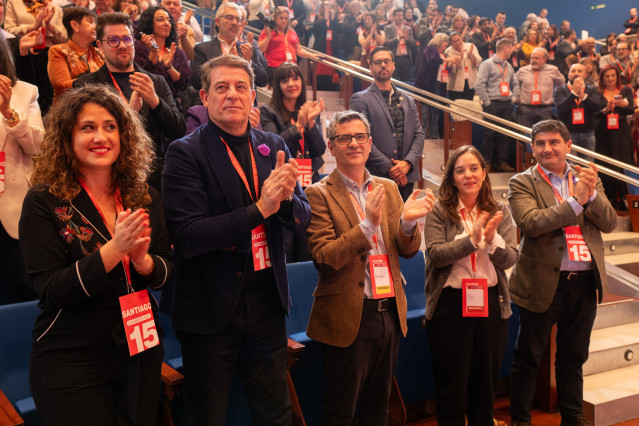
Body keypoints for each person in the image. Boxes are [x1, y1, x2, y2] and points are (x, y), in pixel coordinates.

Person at [162, 54, 311, 426]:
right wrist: (261, 208)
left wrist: (287, 199)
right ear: (204, 96)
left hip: (266, 303)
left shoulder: (273, 144)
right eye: (222, 87)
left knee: (275, 413)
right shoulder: (185, 153)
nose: (232, 95)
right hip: (210, 308)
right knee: (208, 416)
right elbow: (190, 236)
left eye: (241, 87)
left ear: (253, 97)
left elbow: (302, 219)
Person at [20, 84, 173, 425]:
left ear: (124, 135)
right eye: (87, 127)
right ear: (67, 137)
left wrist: (141, 260)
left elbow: (166, 271)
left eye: (110, 127)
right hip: (71, 356)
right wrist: (114, 250)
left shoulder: (143, 195)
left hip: (139, 347)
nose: (100, 136)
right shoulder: (44, 200)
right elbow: (51, 289)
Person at [305, 109, 434, 426]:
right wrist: (367, 227)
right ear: (332, 146)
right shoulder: (317, 193)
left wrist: (407, 223)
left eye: (360, 136)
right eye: (344, 138)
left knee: (379, 406)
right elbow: (324, 257)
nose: (353, 143)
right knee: (341, 410)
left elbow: (407, 250)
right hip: (350, 313)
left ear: (370, 142)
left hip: (389, 309)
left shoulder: (388, 188)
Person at [508, 119, 617, 426]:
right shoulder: (522, 182)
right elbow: (531, 223)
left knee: (573, 358)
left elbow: (608, 223)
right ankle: (520, 420)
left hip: (583, 283)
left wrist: (591, 196)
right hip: (542, 282)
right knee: (528, 358)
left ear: (569, 146)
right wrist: (576, 202)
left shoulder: (588, 179)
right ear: (532, 149)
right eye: (540, 143)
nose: (547, 149)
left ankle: (573, 417)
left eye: (554, 142)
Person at [424, 145, 517, 425]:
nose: (468, 175)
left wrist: (490, 240)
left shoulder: (500, 210)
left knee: (485, 386)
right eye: (460, 170)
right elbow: (436, 254)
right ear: (452, 178)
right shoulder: (441, 210)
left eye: (474, 168)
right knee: (452, 387)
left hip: (491, 304)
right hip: (451, 306)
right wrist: (472, 240)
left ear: (484, 173)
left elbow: (511, 256)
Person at [74, 12, 185, 191]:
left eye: (126, 38)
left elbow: (179, 130)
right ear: (99, 46)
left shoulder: (156, 81)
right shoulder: (85, 84)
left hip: (151, 178)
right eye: (113, 40)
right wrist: (128, 114)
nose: (123, 45)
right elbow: (79, 136)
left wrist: (155, 102)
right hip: (104, 177)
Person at [260, 62, 325, 261]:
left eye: (295, 78)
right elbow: (275, 146)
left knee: (307, 248)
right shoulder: (268, 112)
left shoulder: (308, 111)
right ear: (277, 85)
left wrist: (311, 123)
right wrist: (300, 125)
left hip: (309, 186)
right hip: (284, 188)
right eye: (285, 79)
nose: (291, 83)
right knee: (286, 247)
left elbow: (319, 149)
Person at [0, 31, 42, 303]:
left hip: (13, 205)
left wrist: (8, 113)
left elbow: (38, 146)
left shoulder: (25, 91)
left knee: (24, 289)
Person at [351, 46, 425, 201]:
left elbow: (418, 134)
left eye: (386, 61)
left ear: (393, 65)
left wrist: (407, 164)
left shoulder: (409, 100)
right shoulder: (360, 99)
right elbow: (361, 138)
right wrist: (390, 168)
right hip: (377, 176)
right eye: (378, 62)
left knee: (406, 223)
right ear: (370, 67)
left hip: (407, 176)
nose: (383, 65)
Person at [191, 2, 268, 90]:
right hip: (215, 101)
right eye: (230, 18)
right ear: (217, 21)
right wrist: (224, 62)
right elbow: (196, 82)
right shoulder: (203, 49)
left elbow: (263, 81)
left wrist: (248, 62)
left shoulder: (248, 49)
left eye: (238, 19)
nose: (234, 23)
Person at [475, 37, 519, 172]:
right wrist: (487, 103)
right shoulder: (487, 64)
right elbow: (479, 85)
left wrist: (514, 99)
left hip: (507, 104)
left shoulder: (509, 66)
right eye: (511, 48)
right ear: (505, 48)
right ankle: (487, 163)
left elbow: (515, 84)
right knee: (489, 134)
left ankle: (502, 162)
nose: (513, 51)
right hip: (492, 104)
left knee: (504, 135)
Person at [595, 65, 634, 210]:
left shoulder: (626, 90)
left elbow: (631, 110)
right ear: (602, 79)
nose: (611, 79)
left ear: (617, 76)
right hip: (603, 131)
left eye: (613, 75)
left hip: (622, 129)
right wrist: (604, 110)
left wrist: (624, 105)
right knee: (606, 163)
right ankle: (609, 196)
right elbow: (594, 114)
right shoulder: (598, 92)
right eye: (607, 76)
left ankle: (623, 197)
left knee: (622, 161)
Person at [48, 7, 105, 103]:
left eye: (95, 23)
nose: (95, 27)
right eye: (90, 22)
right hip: (69, 109)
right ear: (75, 26)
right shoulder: (59, 51)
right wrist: (96, 78)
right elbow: (62, 86)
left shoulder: (99, 52)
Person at [134, 6, 190, 100]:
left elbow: (183, 84)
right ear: (150, 24)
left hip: (171, 105)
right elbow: (141, 78)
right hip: (144, 102)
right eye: (160, 20)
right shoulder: (139, 47)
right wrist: (154, 53)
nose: (166, 23)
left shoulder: (176, 51)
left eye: (168, 20)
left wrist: (169, 67)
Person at [555, 63, 606, 161]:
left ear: (585, 75)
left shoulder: (591, 89)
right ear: (568, 74)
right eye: (573, 71)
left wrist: (584, 97)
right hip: (568, 134)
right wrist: (573, 93)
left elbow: (597, 107)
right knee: (571, 166)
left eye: (579, 71)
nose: (576, 73)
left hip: (589, 134)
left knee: (588, 166)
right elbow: (561, 108)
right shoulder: (560, 90)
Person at [258, 5, 316, 83]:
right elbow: (260, 49)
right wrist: (268, 36)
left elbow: (298, 50)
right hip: (275, 67)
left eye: (286, 18)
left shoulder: (292, 31)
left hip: (291, 67)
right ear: (275, 19)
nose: (284, 20)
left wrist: (312, 55)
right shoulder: (268, 30)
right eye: (281, 18)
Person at [514, 47, 565, 129]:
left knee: (545, 134)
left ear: (544, 59)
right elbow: (513, 84)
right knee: (524, 136)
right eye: (532, 58)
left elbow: (562, 84)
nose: (533, 60)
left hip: (544, 109)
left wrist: (556, 97)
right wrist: (516, 97)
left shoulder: (553, 70)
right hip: (526, 109)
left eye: (536, 58)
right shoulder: (522, 71)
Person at [414, 33, 451, 139]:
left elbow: (443, 69)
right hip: (427, 84)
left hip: (439, 83)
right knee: (425, 111)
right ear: (440, 41)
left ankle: (434, 135)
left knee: (435, 111)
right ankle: (423, 135)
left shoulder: (443, 54)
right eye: (445, 42)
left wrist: (450, 65)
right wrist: (447, 60)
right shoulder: (430, 49)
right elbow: (431, 61)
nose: (447, 44)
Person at [444, 31, 482, 101]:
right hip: (455, 85)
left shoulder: (470, 46)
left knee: (469, 106)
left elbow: (478, 63)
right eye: (454, 41)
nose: (457, 43)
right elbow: (453, 71)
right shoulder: (448, 51)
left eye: (458, 40)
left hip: (470, 82)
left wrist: (471, 54)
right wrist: (461, 57)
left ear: (462, 39)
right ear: (451, 43)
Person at [383, 8, 415, 82]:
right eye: (398, 15)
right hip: (394, 58)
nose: (400, 17)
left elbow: (413, 44)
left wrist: (407, 39)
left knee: (406, 81)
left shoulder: (408, 29)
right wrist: (397, 39)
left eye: (401, 15)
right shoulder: (388, 28)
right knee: (394, 81)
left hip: (406, 58)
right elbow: (387, 43)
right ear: (393, 17)